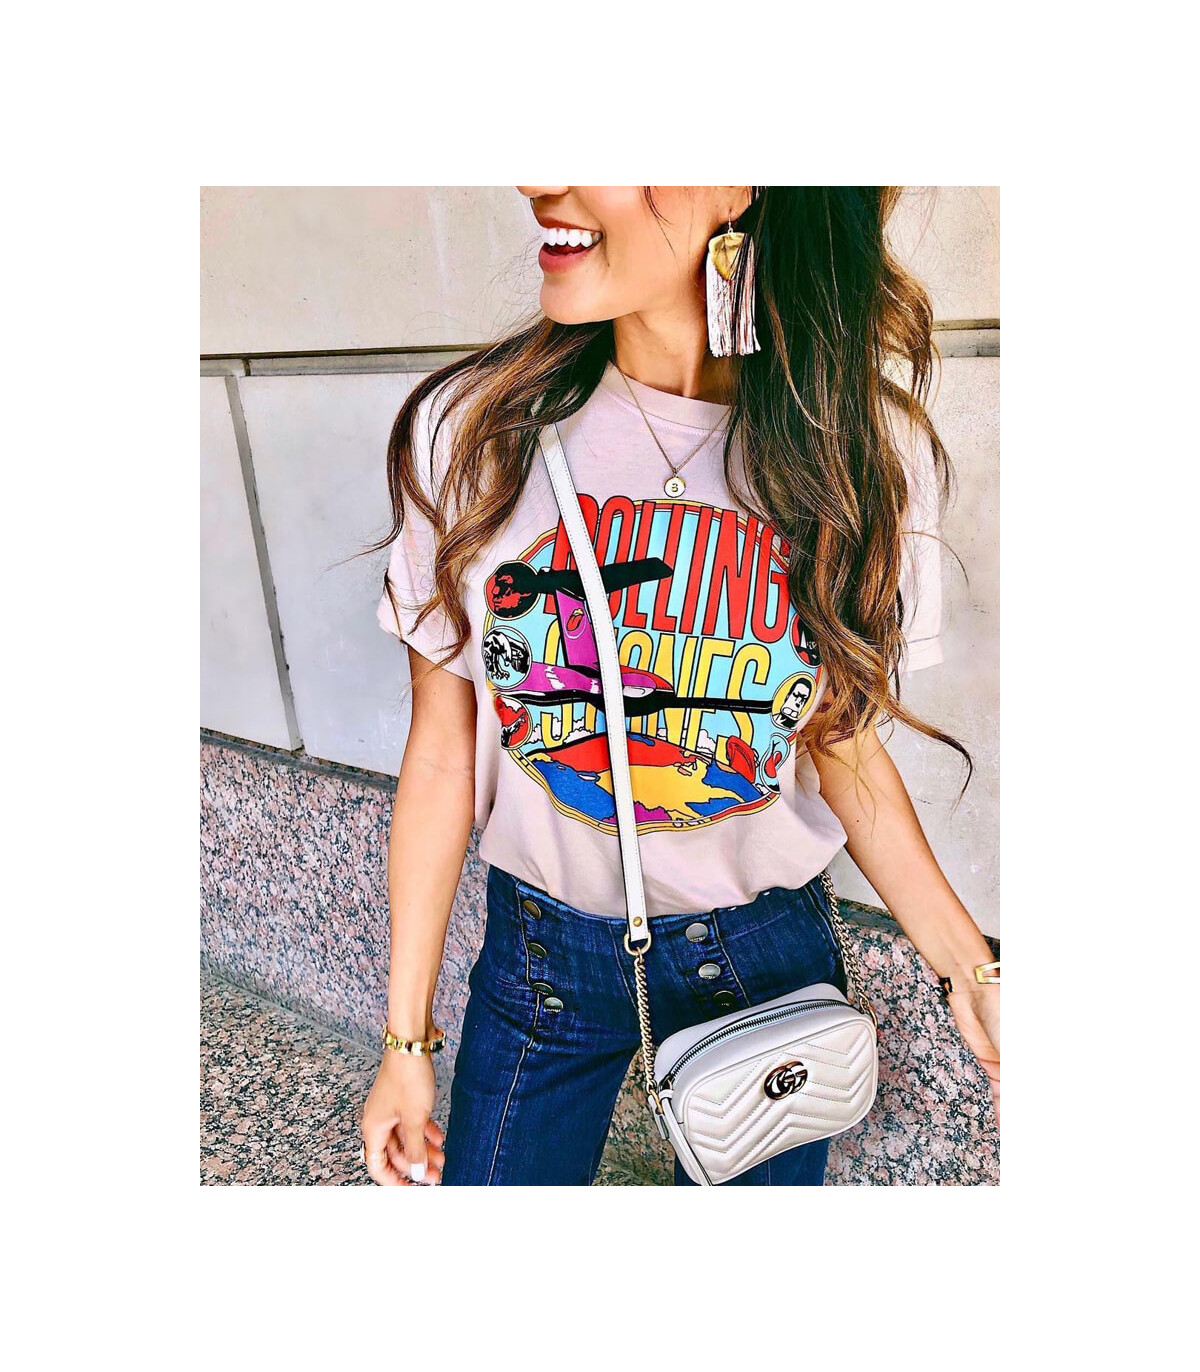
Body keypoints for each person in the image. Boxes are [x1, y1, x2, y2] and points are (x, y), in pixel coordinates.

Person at [361, 186, 1000, 1187]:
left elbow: (838, 744)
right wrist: (405, 1044)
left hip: (762, 960)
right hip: (541, 963)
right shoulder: (475, 430)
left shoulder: (856, 453)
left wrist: (974, 967)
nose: (539, 176)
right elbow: (443, 751)